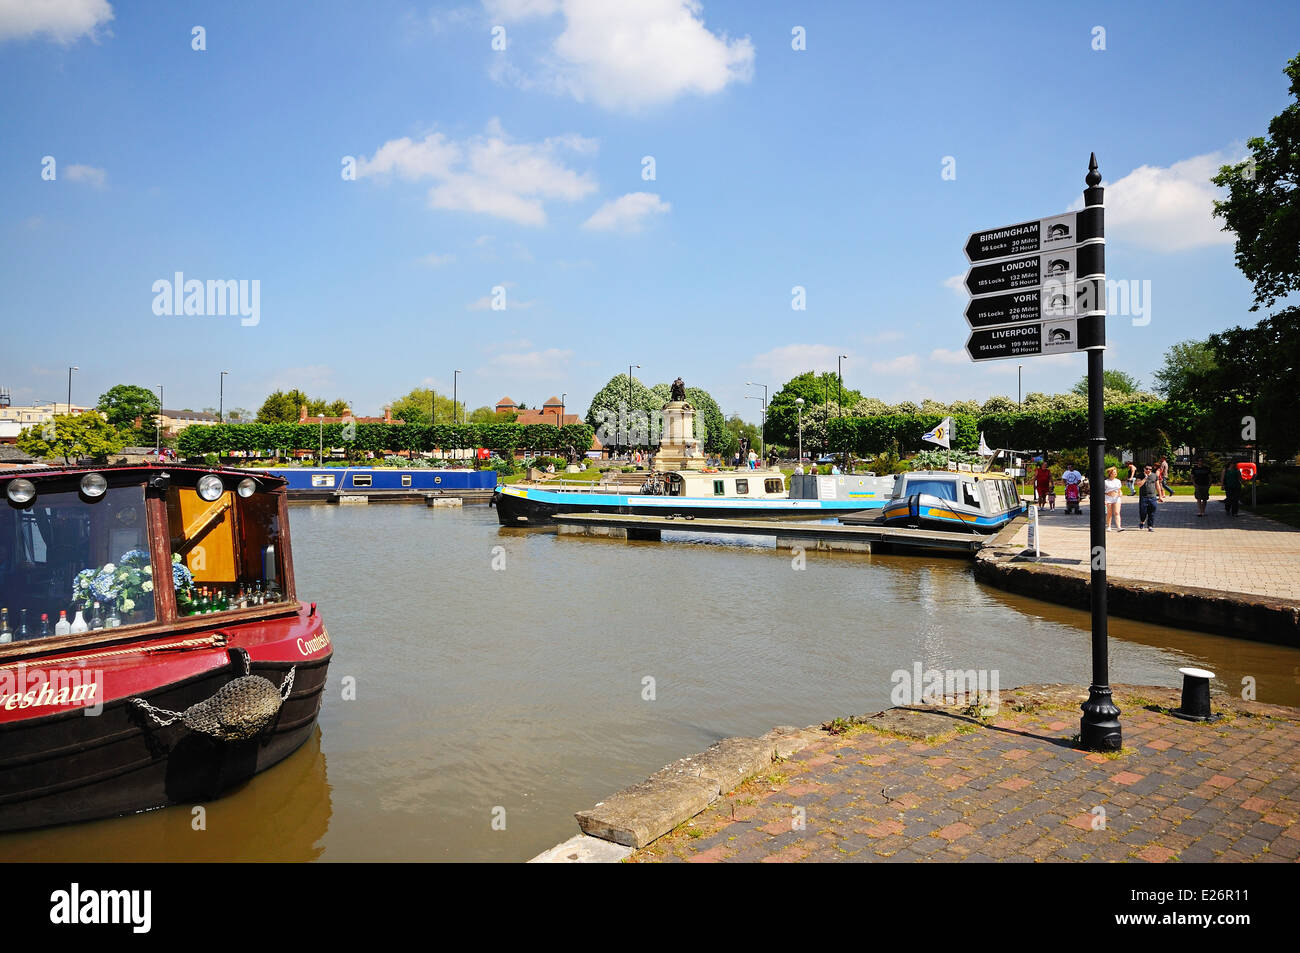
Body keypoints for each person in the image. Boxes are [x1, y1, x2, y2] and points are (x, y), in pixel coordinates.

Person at [1135, 464, 1164, 530]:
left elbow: (1157, 486)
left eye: (1150, 469)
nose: (1148, 470)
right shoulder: (1140, 475)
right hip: (1143, 497)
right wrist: (1145, 478)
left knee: (1152, 512)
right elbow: (1139, 485)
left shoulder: (1154, 476)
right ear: (1144, 469)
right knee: (1143, 512)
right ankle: (1142, 522)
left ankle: (1150, 526)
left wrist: (1160, 496)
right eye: (1147, 469)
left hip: (1153, 497)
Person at [1103, 466, 1123, 531]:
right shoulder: (1106, 481)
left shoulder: (1118, 481)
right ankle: (1108, 526)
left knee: (1117, 512)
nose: (1115, 473)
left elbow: (1119, 489)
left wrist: (1120, 493)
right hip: (1108, 498)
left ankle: (1119, 527)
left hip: (1116, 498)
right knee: (1109, 513)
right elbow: (1102, 491)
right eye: (1113, 472)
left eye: (1115, 472)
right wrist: (1106, 494)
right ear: (1110, 473)